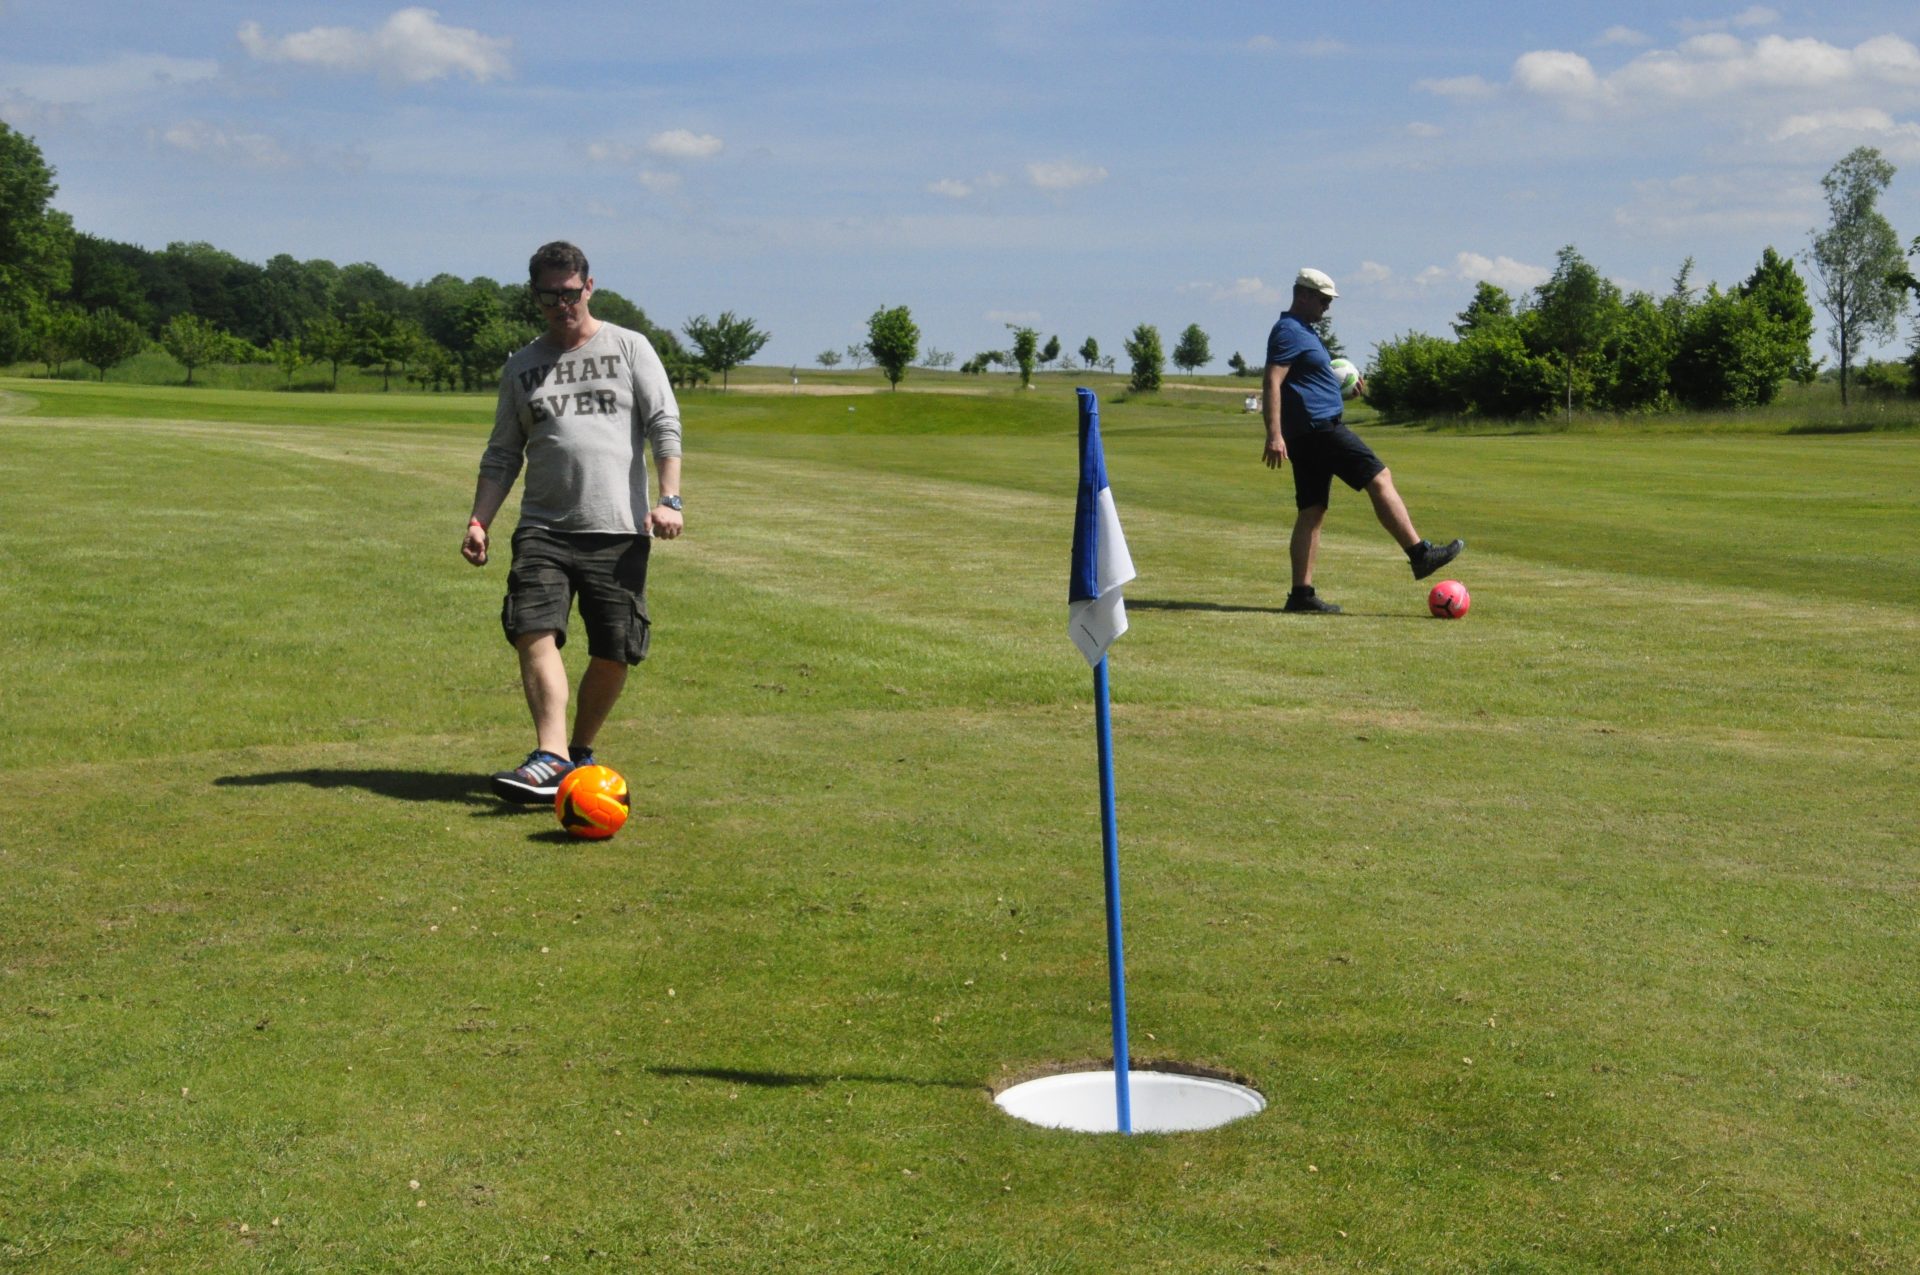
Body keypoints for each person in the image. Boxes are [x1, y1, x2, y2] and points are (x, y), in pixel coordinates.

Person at [462, 241, 684, 802]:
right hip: (544, 526)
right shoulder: (522, 366)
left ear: (589, 286)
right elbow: (502, 453)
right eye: (549, 296)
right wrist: (479, 519)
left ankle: (577, 752)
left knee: (615, 648)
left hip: (618, 529)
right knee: (532, 628)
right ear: (535, 297)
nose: (561, 304)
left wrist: (670, 499)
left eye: (570, 292)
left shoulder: (629, 347)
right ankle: (550, 754)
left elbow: (664, 422)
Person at [1262, 267, 1463, 614]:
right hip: (1319, 430)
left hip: (1311, 431)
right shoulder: (1289, 331)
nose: (1327, 306)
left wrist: (1342, 395)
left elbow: (1304, 384)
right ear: (1303, 295)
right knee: (1379, 477)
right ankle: (1420, 554)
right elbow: (1272, 382)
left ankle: (1301, 595)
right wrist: (1274, 434)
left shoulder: (1303, 331)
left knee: (1311, 511)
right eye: (1323, 300)